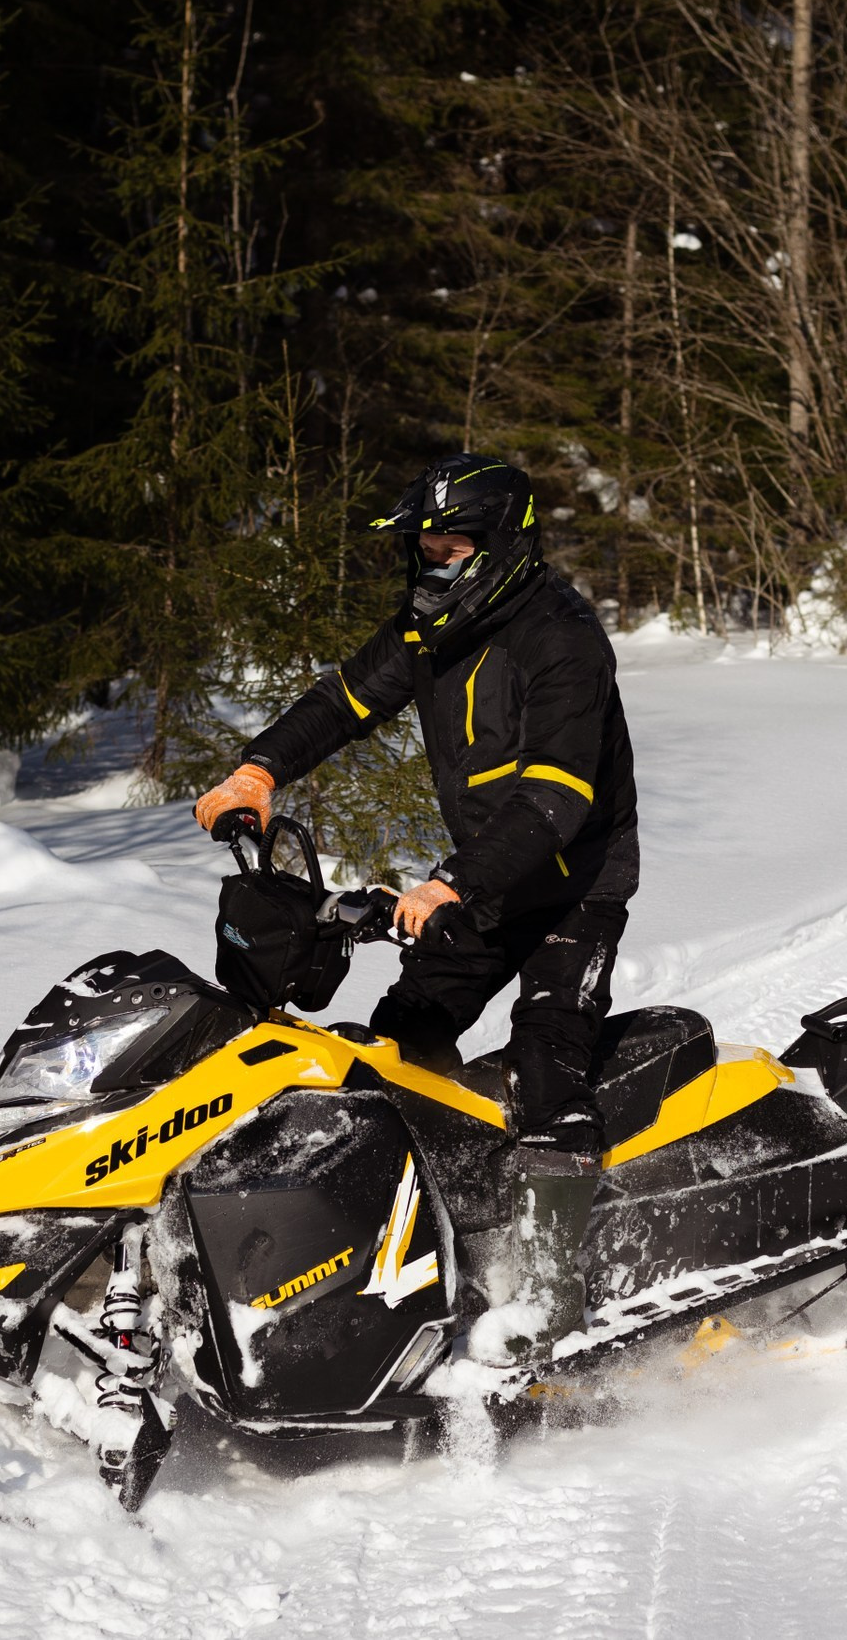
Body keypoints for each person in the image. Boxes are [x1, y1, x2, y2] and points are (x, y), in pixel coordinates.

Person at [193, 453, 639, 1164]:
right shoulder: (431, 626)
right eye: (423, 554)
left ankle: (559, 1258)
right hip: (484, 885)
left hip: (570, 886)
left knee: (545, 1068)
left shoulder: (562, 640)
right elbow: (344, 699)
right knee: (396, 1053)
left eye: (450, 554)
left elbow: (555, 797)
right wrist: (258, 770)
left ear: (500, 550)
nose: (432, 570)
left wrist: (453, 882)